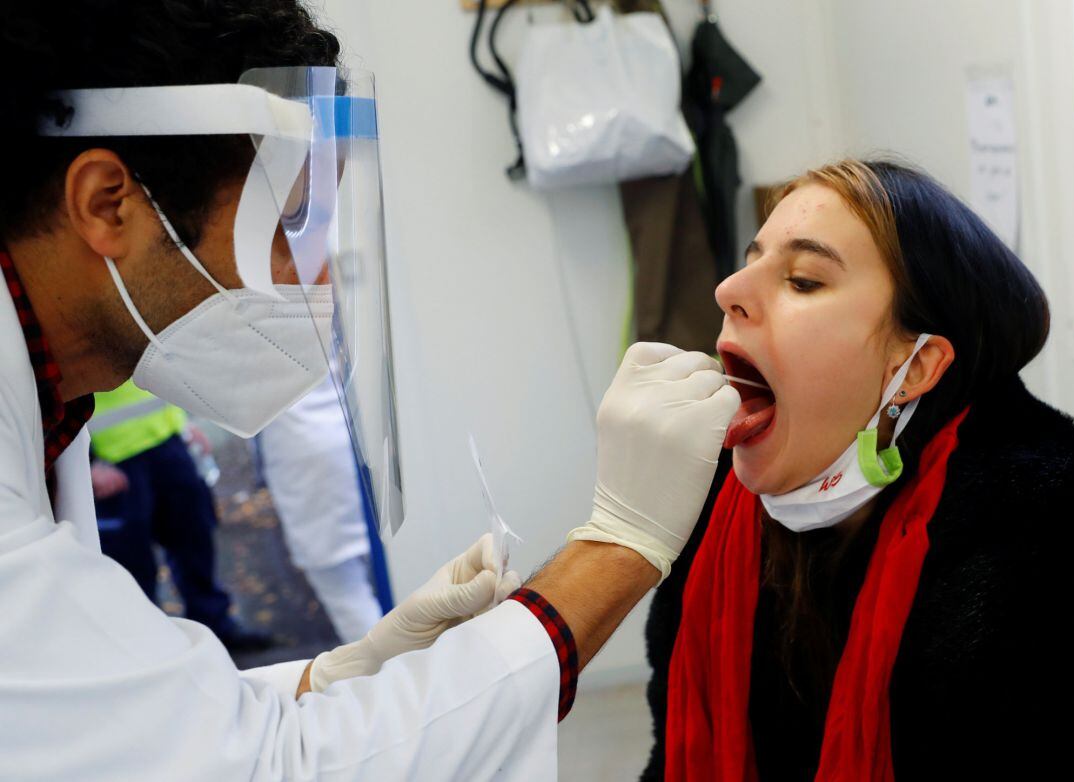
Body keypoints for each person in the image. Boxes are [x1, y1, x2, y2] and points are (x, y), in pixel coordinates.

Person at [0, 2, 740, 779]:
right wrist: (620, 545)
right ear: (106, 203)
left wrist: (342, 674)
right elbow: (264, 770)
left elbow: (143, 732)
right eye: (287, 225)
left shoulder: (46, 406)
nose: (317, 278)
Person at [642, 159, 1074, 781]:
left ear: (919, 366)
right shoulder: (711, 503)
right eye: (752, 257)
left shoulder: (1037, 545)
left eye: (802, 280)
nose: (728, 290)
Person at [90, 379, 274, 652]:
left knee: (195, 540)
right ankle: (149, 652)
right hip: (113, 463)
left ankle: (216, 630)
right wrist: (88, 463)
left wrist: (184, 423)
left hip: (168, 443)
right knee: (131, 568)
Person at [256, 375, 385, 642]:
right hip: (346, 434)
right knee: (377, 572)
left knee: (343, 589)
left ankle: (389, 669)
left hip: (303, 451)